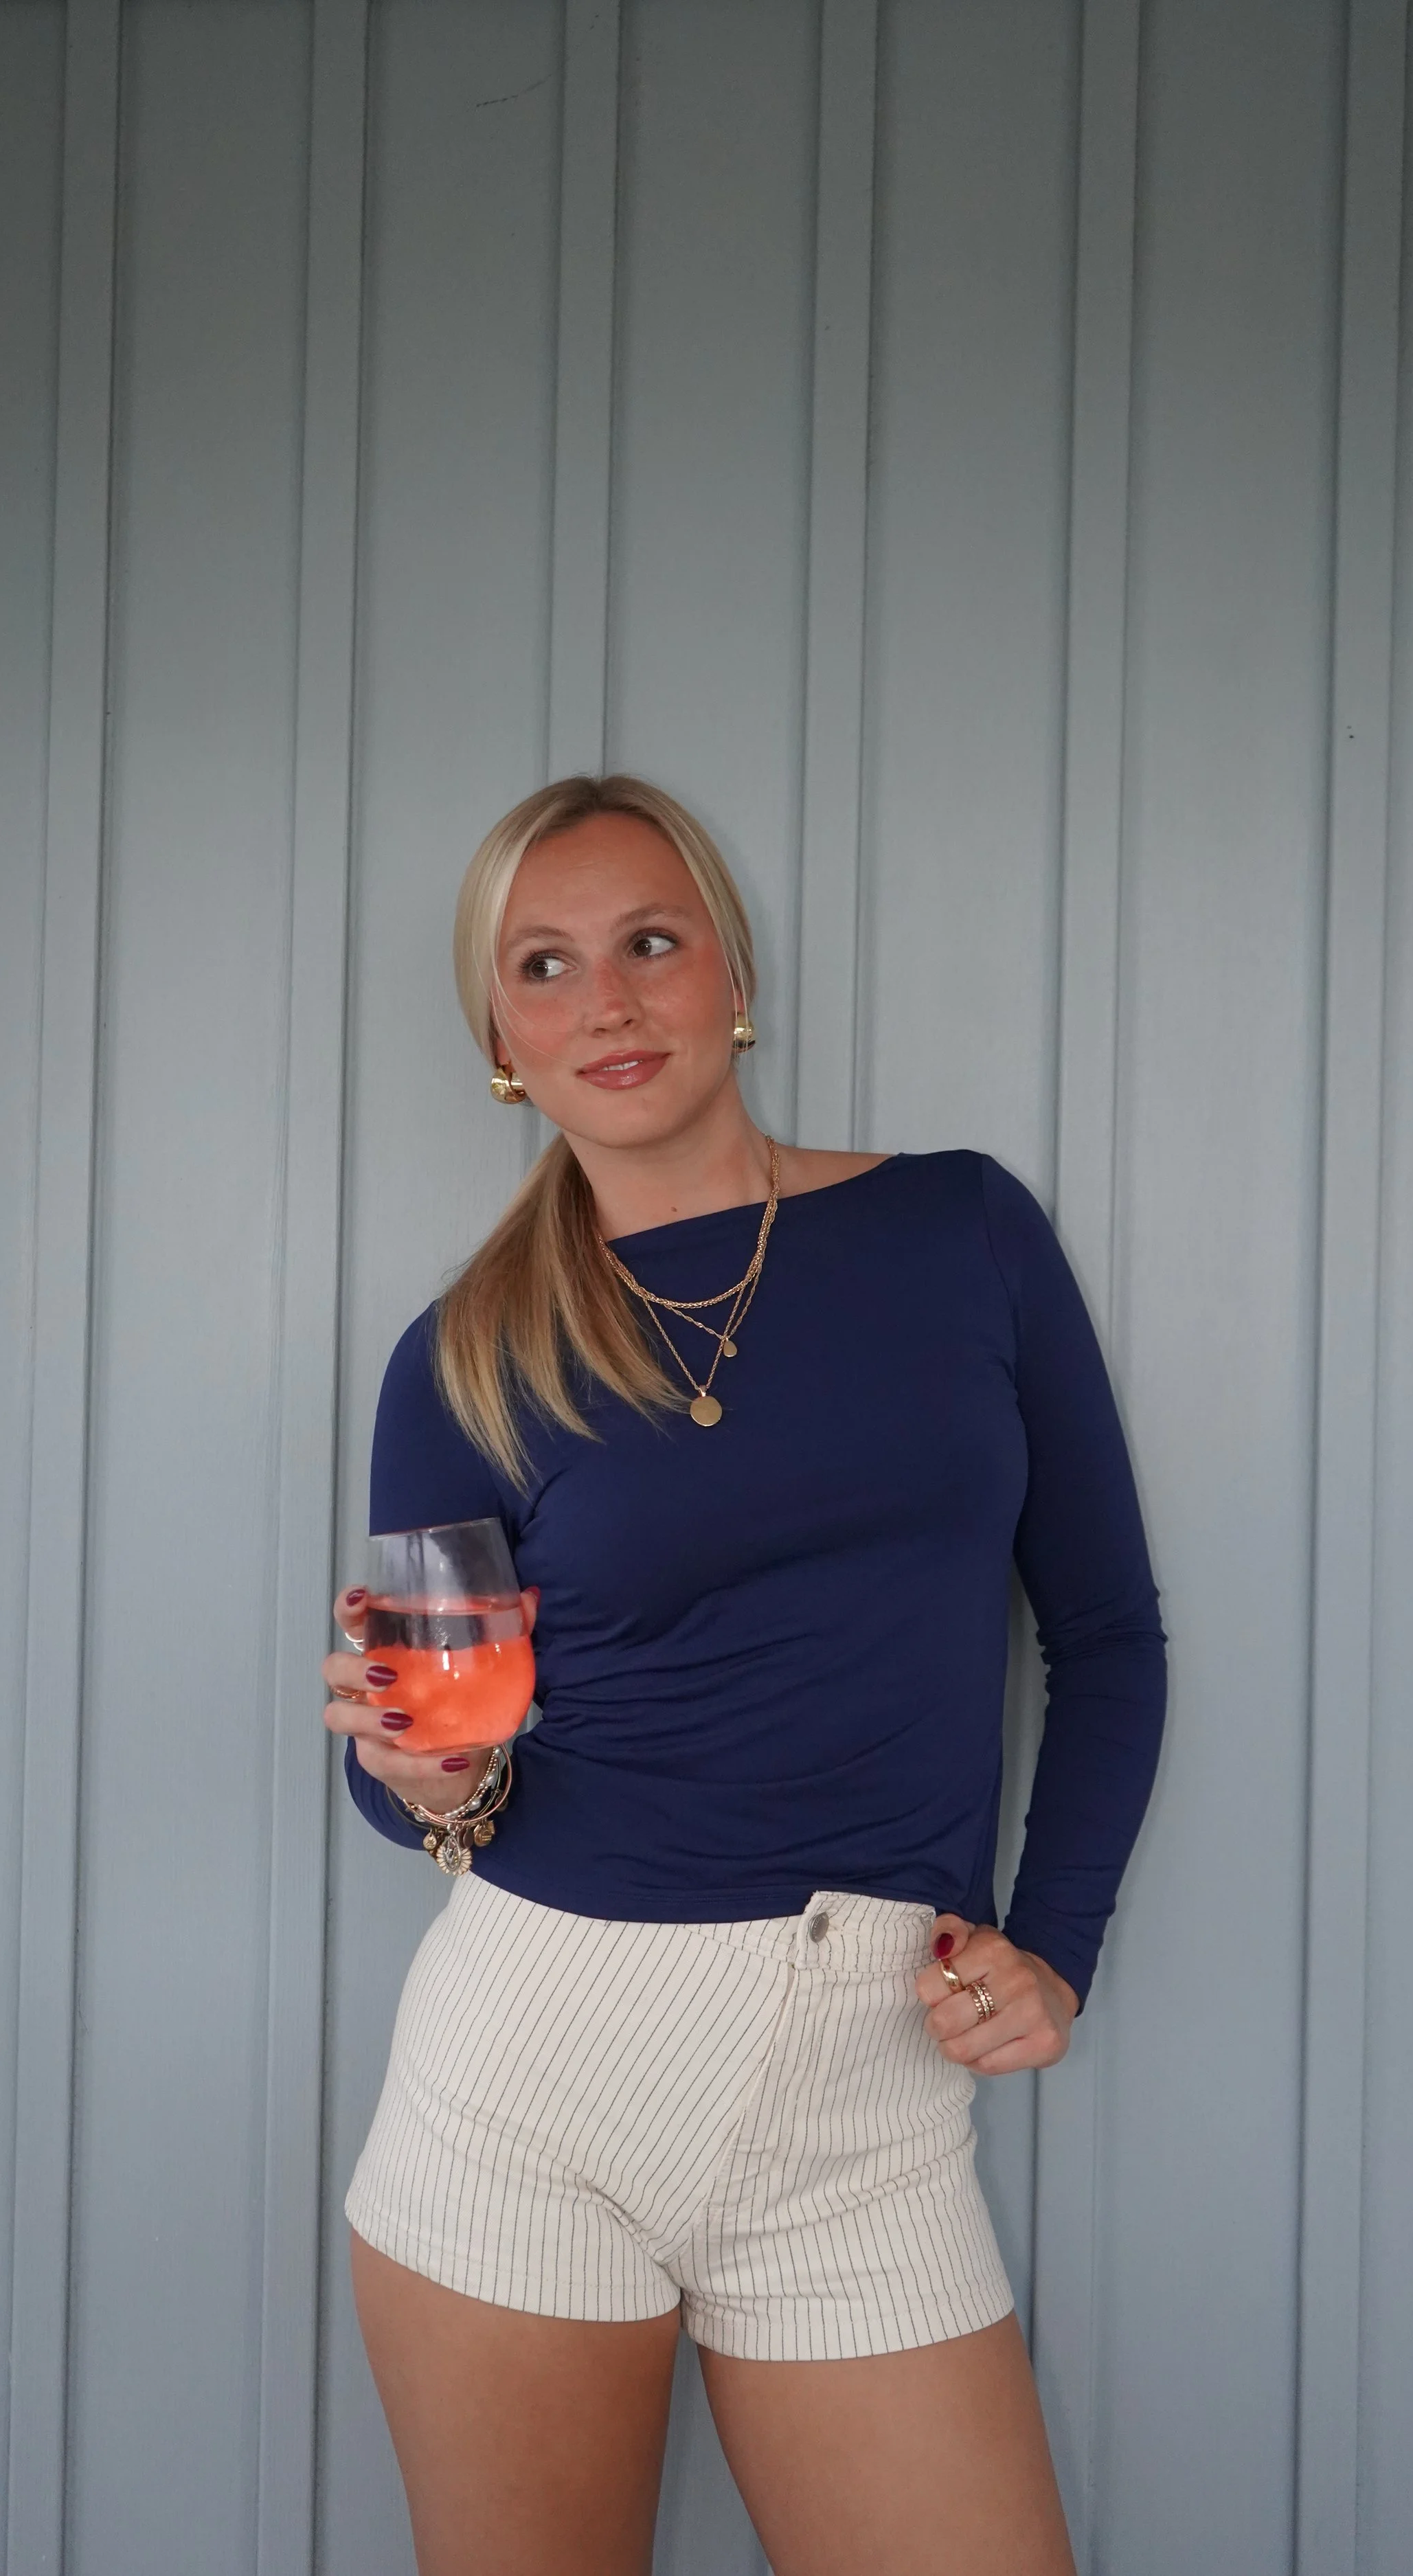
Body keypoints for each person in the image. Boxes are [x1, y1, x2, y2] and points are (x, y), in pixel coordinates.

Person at [324, 773, 1167, 2576]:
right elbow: (437, 1770)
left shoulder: (958, 1234)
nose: (606, 1004)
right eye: (542, 968)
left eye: (648, 941)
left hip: (865, 2117)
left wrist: (1057, 1948)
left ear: (731, 971)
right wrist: (415, 1776)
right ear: (498, 1038)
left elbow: (1103, 1640)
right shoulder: (459, 1359)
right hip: (529, 2099)